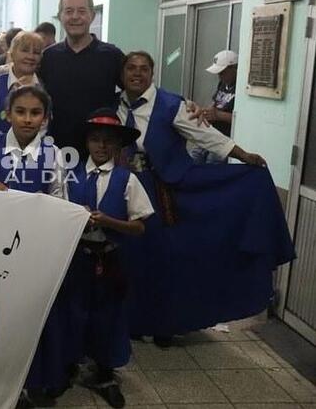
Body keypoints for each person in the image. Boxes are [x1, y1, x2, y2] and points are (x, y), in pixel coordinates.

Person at [117, 51, 295, 347]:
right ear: (122, 73)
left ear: (152, 73)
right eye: (131, 68)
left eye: (144, 69)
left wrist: (243, 155)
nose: (137, 74)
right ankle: (135, 320)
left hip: (162, 192)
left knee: (165, 259)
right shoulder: (115, 104)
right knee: (134, 257)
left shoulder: (172, 105)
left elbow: (208, 136)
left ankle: (164, 324)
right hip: (127, 187)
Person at [62, 108, 154, 409]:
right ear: (86, 143)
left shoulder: (127, 180)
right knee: (73, 312)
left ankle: (104, 372)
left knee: (108, 315)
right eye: (95, 140)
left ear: (117, 145)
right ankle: (69, 365)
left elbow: (140, 227)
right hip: (76, 259)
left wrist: (109, 222)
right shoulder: (69, 176)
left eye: (108, 141)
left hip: (110, 260)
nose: (101, 146)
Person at [0, 86, 64, 409]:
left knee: (31, 314)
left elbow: (60, 199)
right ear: (8, 114)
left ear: (45, 118)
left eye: (35, 113)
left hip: (34, 246)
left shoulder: (53, 152)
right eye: (20, 112)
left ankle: (34, 381)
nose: (28, 119)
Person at [38, 0, 124, 155]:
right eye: (69, 11)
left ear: (92, 15)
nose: (75, 17)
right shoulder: (48, 57)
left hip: (100, 152)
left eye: (81, 11)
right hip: (56, 152)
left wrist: (183, 105)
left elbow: (139, 90)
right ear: (60, 16)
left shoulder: (112, 56)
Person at [0, 31, 44, 139]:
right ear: (12, 53)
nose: (30, 56)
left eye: (36, 52)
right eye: (24, 50)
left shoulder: (44, 88)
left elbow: (44, 130)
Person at [193, 50, 238, 163]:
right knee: (193, 159)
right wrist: (205, 112)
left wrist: (219, 115)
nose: (220, 76)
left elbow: (243, 119)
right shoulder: (223, 84)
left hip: (225, 138)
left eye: (223, 72)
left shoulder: (240, 88)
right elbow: (215, 103)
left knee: (212, 166)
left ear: (234, 68)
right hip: (212, 133)